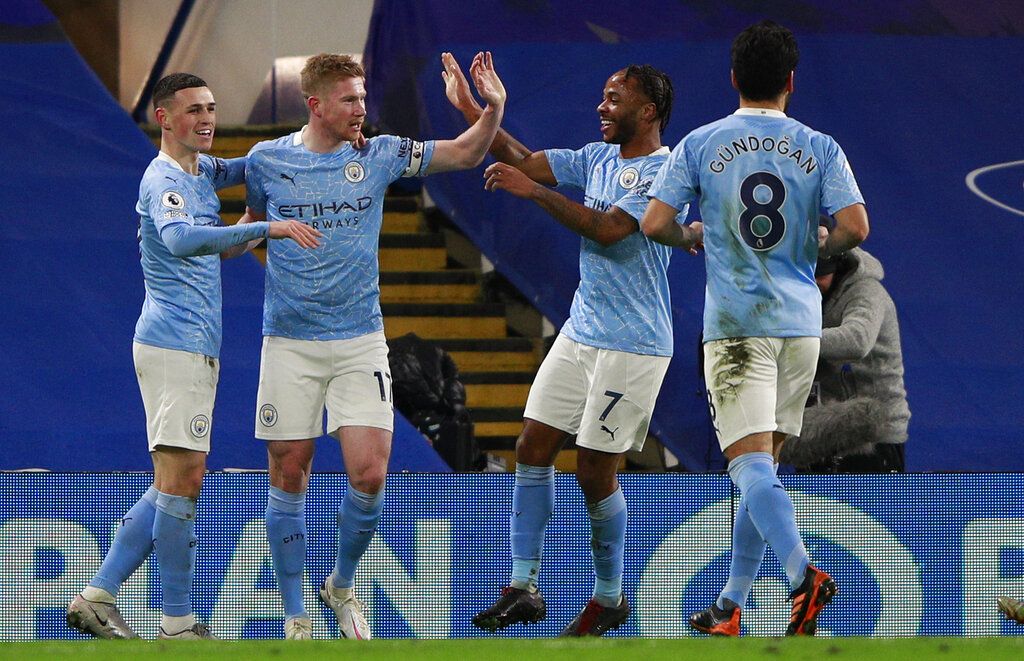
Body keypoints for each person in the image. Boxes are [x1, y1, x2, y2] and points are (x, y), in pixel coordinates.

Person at [244, 52, 506, 640]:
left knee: (370, 474)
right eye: (349, 99)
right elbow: (253, 221)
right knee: (289, 473)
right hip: (289, 342)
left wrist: (494, 109)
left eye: (363, 97)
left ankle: (339, 586)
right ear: (315, 105)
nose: (362, 108)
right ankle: (295, 618)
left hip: (361, 340)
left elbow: (465, 152)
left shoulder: (380, 153)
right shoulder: (267, 160)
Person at [66, 73, 321, 640]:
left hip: (193, 346)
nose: (207, 119)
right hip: (171, 346)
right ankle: (177, 624)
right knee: (184, 481)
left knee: (170, 482)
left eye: (211, 108)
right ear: (164, 118)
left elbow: (248, 167)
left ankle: (96, 596)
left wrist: (312, 134)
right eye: (193, 111)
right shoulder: (164, 182)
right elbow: (181, 240)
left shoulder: (201, 171)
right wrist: (269, 227)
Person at [443, 54, 684, 636]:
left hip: (634, 343)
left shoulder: (666, 170)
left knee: (595, 469)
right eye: (602, 96)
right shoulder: (597, 157)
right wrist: (477, 111)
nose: (602, 107)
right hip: (582, 331)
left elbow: (608, 231)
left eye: (614, 99)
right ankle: (523, 586)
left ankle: (609, 597)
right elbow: (525, 161)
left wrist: (532, 194)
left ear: (647, 111)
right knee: (532, 445)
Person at [642, 20, 869, 637]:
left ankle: (803, 576)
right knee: (762, 462)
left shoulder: (701, 142)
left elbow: (655, 222)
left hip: (738, 327)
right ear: (791, 81)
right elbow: (854, 226)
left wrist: (689, 235)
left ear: (734, 78)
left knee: (747, 465)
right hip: (801, 327)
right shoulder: (819, 146)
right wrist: (818, 248)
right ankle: (730, 606)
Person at [780, 245, 910, 473]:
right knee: (815, 509)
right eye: (807, 275)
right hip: (816, 432)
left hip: (874, 434)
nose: (813, 283)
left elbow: (858, 339)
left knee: (864, 510)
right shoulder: (799, 294)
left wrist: (792, 340)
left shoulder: (868, 293)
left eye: (821, 275)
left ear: (838, 267)